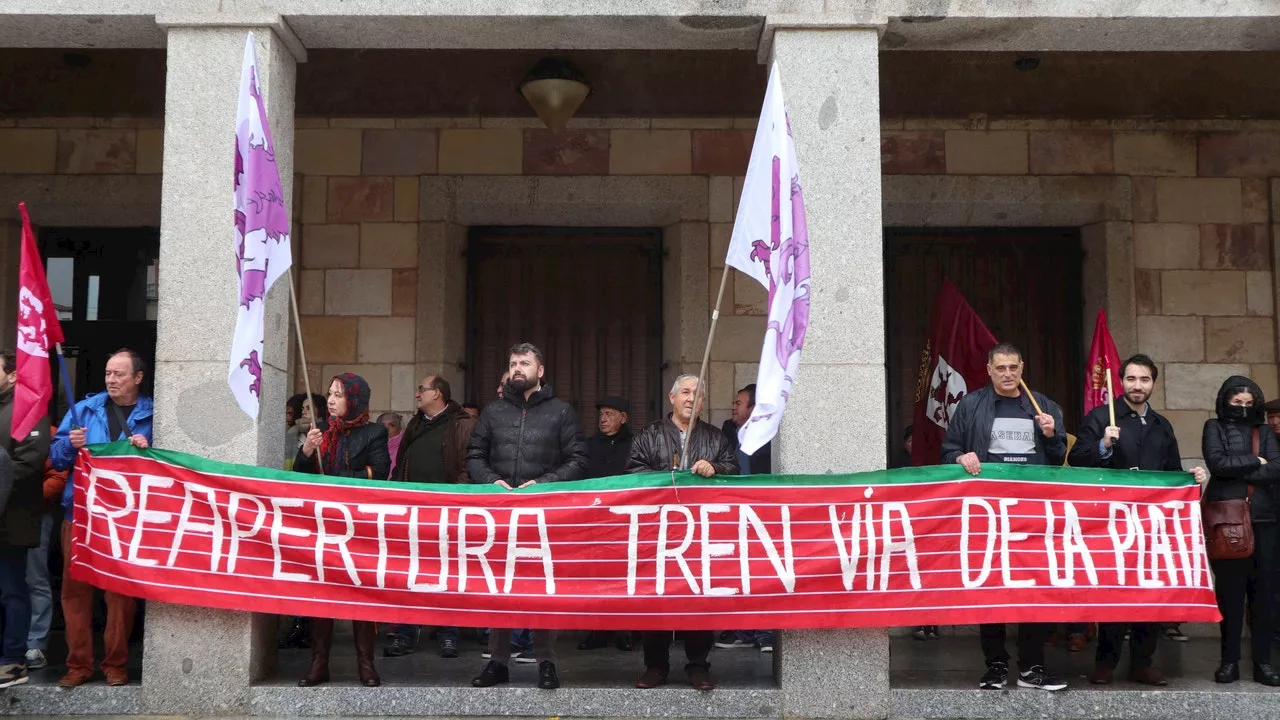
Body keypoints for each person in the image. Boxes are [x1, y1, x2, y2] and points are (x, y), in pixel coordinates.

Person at [1069, 354, 1209, 686]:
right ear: (1121, 382)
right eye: (1131, 379)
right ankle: (1106, 663)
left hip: (1152, 525)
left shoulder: (1162, 425)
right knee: (1116, 594)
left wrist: (1192, 478)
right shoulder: (1101, 416)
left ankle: (1143, 663)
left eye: (1144, 380)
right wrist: (1103, 444)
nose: (1137, 386)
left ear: (1153, 384)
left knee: (1151, 594)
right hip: (1111, 523)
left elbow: (1172, 473)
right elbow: (1076, 459)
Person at [941, 342, 1068, 692]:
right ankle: (995, 665)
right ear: (989, 370)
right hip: (987, 512)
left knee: (1034, 587)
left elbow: (1057, 461)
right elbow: (948, 449)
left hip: (1033, 512)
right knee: (990, 588)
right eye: (1001, 368)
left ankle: (1031, 667)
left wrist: (1051, 435)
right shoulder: (970, 405)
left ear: (1022, 367)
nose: (1008, 374)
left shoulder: (1044, 407)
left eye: (1013, 367)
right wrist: (960, 458)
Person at [468, 343, 587, 690]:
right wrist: (492, 482)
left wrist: (544, 485)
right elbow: (475, 455)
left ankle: (546, 661)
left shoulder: (561, 412)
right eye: (513, 363)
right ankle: (498, 662)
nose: (518, 368)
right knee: (500, 588)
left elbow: (578, 459)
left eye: (525, 362)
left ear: (541, 370)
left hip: (544, 515)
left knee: (542, 589)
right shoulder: (493, 412)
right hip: (500, 514)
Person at [50, 348, 152, 687]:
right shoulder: (83, 411)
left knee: (119, 593)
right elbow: (57, 458)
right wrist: (70, 445)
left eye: (119, 374)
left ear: (138, 378)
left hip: (123, 519)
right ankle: (78, 665)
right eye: (108, 373)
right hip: (79, 513)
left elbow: (167, 464)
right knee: (75, 591)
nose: (111, 379)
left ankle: (116, 664)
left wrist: (147, 449)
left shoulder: (152, 415)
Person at [629, 375, 738, 691]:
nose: (692, 399)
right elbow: (633, 474)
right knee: (656, 600)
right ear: (672, 398)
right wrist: (667, 479)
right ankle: (655, 666)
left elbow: (734, 473)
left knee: (699, 601)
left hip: (700, 535)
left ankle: (698, 666)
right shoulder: (648, 435)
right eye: (686, 392)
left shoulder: (716, 439)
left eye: (699, 395)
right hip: (658, 533)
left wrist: (715, 469)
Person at [294, 373, 390, 688]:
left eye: (339, 394)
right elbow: (300, 475)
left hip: (359, 527)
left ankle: (366, 665)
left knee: (360, 593)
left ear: (355, 399)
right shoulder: (319, 431)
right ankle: (319, 663)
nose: (332, 400)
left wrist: (334, 476)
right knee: (322, 594)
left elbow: (377, 473)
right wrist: (307, 450)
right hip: (323, 526)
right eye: (330, 394)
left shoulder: (374, 432)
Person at [387, 375, 475, 659]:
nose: (416, 395)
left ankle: (448, 633)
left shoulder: (461, 424)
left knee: (446, 575)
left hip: (447, 514)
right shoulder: (415, 424)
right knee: (410, 574)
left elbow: (467, 467)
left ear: (437, 393)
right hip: (412, 514)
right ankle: (405, 632)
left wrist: (455, 503)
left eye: (421, 389)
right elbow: (401, 463)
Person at [1201, 375, 1280, 686]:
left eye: (1249, 404)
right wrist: (1256, 461)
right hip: (1228, 521)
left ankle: (1263, 663)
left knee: (1264, 597)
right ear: (1226, 402)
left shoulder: (1263, 430)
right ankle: (1229, 661)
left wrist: (1242, 464)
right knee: (1230, 596)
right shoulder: (1214, 427)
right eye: (1237, 403)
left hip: (1265, 521)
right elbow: (1217, 464)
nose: (1243, 409)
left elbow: (1277, 466)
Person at [0, 351, 51, 688]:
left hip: (12, 518)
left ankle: (13, 659)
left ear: (13, 375)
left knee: (12, 590)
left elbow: (29, 463)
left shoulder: (27, 409)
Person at [715, 384, 776, 653]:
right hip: (735, 513)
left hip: (765, 513)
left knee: (764, 574)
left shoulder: (771, 435)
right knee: (740, 574)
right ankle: (743, 630)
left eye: (739, 403)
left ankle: (765, 634)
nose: (733, 406)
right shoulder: (729, 432)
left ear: (754, 408)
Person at [579, 396, 637, 652]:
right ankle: (597, 630)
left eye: (609, 413)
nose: (603, 418)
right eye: (601, 414)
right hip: (595, 521)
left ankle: (625, 630)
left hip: (625, 521)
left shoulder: (636, 445)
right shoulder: (588, 445)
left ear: (623, 417)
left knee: (625, 575)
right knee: (597, 575)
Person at [25, 423, 66, 671]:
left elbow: (59, 474)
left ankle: (35, 643)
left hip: (35, 513)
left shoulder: (45, 431)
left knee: (34, 578)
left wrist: (23, 499)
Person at [378, 411, 403, 478]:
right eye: (382, 425)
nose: (386, 428)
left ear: (399, 429)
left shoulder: (403, 449)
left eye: (392, 425)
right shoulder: (372, 447)